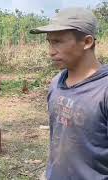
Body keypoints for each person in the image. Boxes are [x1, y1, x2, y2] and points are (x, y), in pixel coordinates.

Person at [30, 8, 108, 179]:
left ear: (87, 42)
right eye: (49, 42)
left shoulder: (104, 90)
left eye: (58, 42)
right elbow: (59, 138)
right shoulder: (56, 82)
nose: (50, 51)